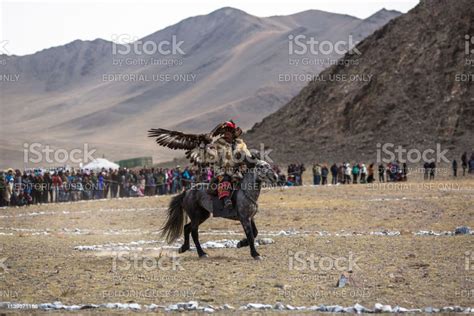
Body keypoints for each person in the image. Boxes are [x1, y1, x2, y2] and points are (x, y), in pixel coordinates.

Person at [204, 121, 252, 211]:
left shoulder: (240, 144)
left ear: (233, 133)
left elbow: (247, 155)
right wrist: (209, 150)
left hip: (239, 169)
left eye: (228, 132)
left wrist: (247, 161)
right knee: (225, 178)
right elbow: (213, 158)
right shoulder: (218, 144)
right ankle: (226, 200)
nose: (226, 134)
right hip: (223, 170)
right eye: (225, 132)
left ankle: (250, 201)